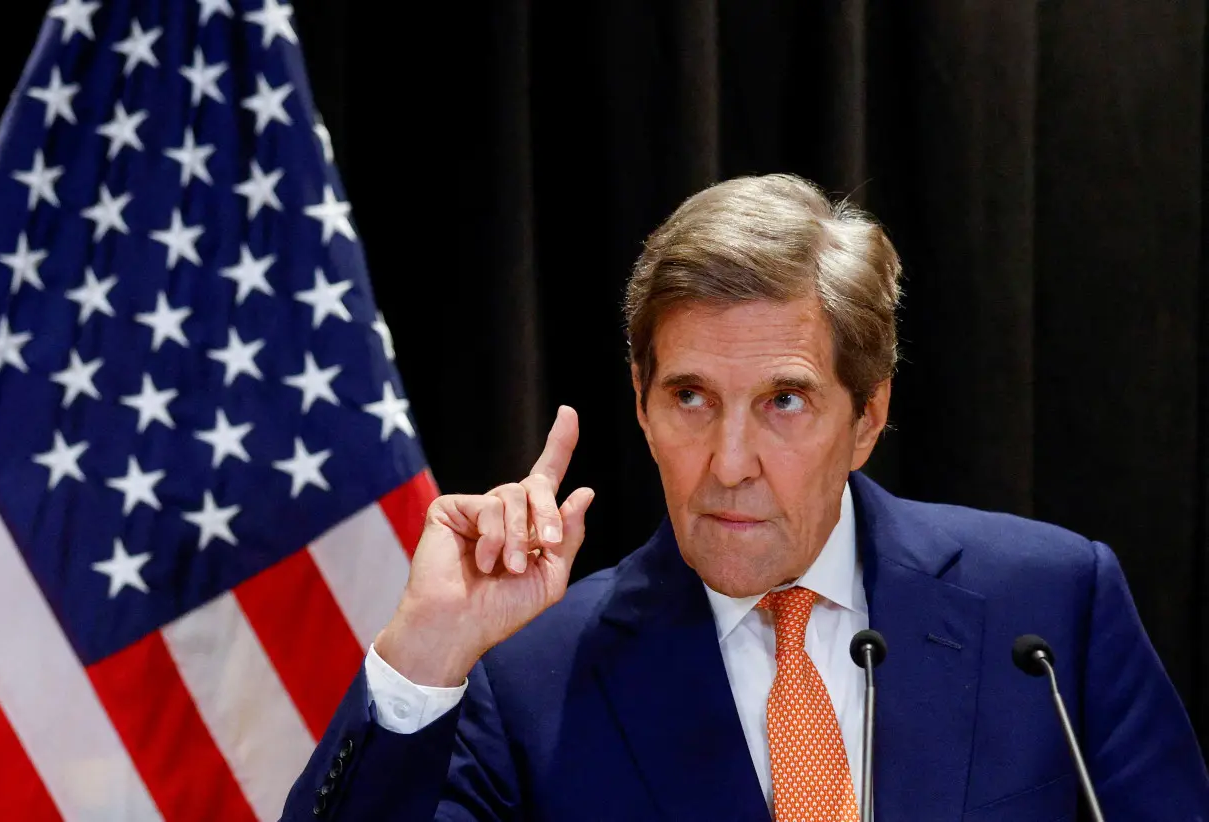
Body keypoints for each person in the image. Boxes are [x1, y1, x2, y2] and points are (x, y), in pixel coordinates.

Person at [281, 174, 1209, 821]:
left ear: (868, 417)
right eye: (690, 398)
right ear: (640, 407)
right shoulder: (528, 680)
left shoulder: (1049, 613)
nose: (729, 462)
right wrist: (426, 655)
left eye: (784, 402)